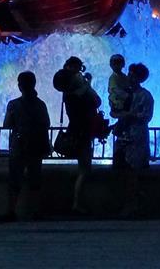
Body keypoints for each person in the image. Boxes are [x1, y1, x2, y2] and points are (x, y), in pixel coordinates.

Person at [0, 71, 51, 222]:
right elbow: (47, 124)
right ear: (34, 84)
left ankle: (11, 211)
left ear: (20, 86)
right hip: (36, 146)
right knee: (35, 180)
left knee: (15, 180)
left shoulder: (14, 105)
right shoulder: (40, 104)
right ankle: (35, 211)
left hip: (19, 146)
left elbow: (7, 124)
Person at [60, 56, 102, 214]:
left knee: (84, 168)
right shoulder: (73, 90)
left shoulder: (73, 90)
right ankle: (77, 203)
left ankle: (77, 202)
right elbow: (88, 98)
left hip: (81, 129)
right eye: (76, 68)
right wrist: (87, 83)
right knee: (84, 168)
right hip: (81, 130)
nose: (78, 72)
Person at [112, 63, 154, 218]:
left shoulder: (145, 96)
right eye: (129, 74)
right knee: (121, 173)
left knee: (132, 174)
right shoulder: (124, 93)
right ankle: (127, 202)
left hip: (136, 139)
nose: (129, 77)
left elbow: (147, 116)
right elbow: (115, 111)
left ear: (139, 78)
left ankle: (133, 205)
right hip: (122, 137)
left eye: (132, 75)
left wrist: (129, 115)